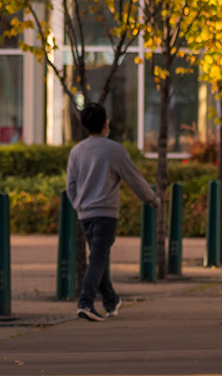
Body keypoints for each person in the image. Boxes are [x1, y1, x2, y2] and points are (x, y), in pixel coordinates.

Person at [66, 104, 161, 322]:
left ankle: (110, 300)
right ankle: (86, 302)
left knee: (97, 256)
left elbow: (70, 186)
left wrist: (79, 205)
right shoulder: (113, 150)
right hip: (106, 213)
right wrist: (152, 199)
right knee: (98, 257)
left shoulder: (76, 152)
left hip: (85, 215)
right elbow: (134, 178)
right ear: (105, 124)